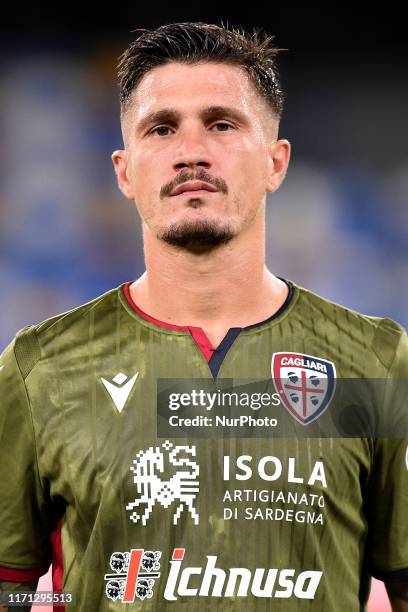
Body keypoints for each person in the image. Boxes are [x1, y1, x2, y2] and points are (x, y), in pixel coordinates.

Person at [0, 21, 407, 612]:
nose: (191, 151)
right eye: (161, 129)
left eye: (221, 124)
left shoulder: (375, 362)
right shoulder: (38, 371)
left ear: (276, 162)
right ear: (124, 171)